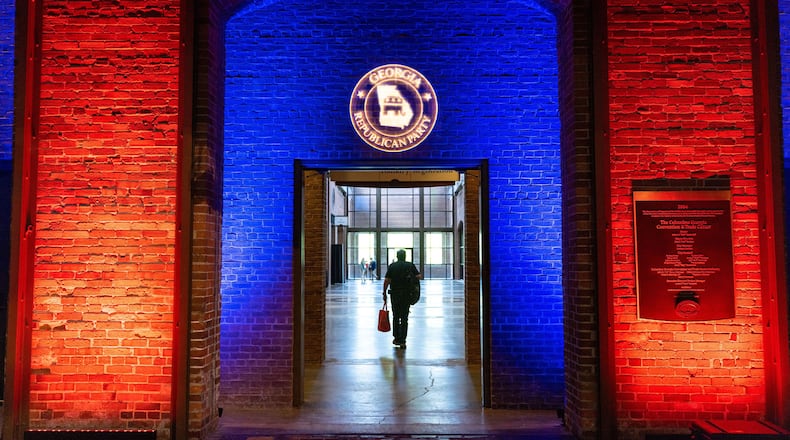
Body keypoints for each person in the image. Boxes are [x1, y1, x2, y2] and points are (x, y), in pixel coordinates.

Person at [382, 249, 421, 349]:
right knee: (404, 318)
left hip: (394, 294)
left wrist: (384, 293)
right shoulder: (410, 265)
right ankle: (403, 340)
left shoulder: (392, 266)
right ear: (405, 256)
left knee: (396, 316)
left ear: (397, 256)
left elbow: (387, 280)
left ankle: (396, 338)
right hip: (406, 294)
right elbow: (419, 277)